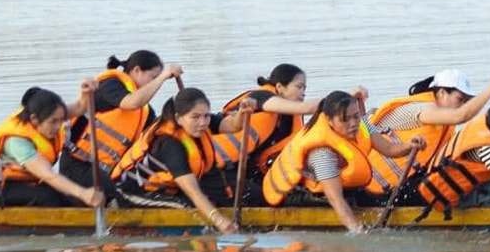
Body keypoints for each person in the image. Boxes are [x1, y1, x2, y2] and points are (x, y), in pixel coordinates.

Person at [261, 91, 418, 233]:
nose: (353, 123)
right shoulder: (322, 153)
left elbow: (390, 149)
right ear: (330, 121)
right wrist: (357, 230)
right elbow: (335, 198)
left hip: (343, 189)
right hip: (308, 195)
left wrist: (409, 145)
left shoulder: (363, 125)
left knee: (397, 198)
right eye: (345, 119)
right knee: (353, 204)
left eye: (355, 116)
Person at [362, 69, 490, 202]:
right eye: (460, 99)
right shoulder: (419, 110)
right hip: (383, 192)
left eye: (467, 101)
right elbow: (460, 115)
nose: (463, 105)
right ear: (441, 93)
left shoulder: (443, 124)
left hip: (407, 183)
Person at [109, 88, 246, 231]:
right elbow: (192, 190)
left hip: (164, 189)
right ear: (179, 118)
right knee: (189, 210)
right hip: (130, 191)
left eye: (206, 116)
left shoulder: (200, 123)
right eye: (195, 117)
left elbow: (232, 126)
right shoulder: (170, 144)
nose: (202, 123)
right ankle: (185, 249)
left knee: (211, 200)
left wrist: (242, 113)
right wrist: (220, 221)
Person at [57, 50, 184, 187]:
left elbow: (154, 136)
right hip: (76, 164)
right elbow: (132, 103)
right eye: (153, 78)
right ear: (137, 71)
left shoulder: (145, 113)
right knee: (118, 195)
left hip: (105, 172)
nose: (155, 85)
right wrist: (164, 76)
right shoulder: (110, 84)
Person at [0, 85, 105, 208]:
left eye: (61, 120)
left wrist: (86, 91)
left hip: (23, 179)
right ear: (34, 119)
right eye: (53, 122)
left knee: (69, 198)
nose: (59, 126)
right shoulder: (17, 142)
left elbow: (80, 107)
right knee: (47, 197)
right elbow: (48, 176)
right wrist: (83, 193)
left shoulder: (52, 114)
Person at [224, 64, 347, 177]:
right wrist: (343, 101)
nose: (303, 93)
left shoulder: (289, 118)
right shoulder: (260, 97)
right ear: (279, 87)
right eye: (299, 87)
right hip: (225, 167)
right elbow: (308, 108)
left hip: (256, 170)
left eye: (304, 89)